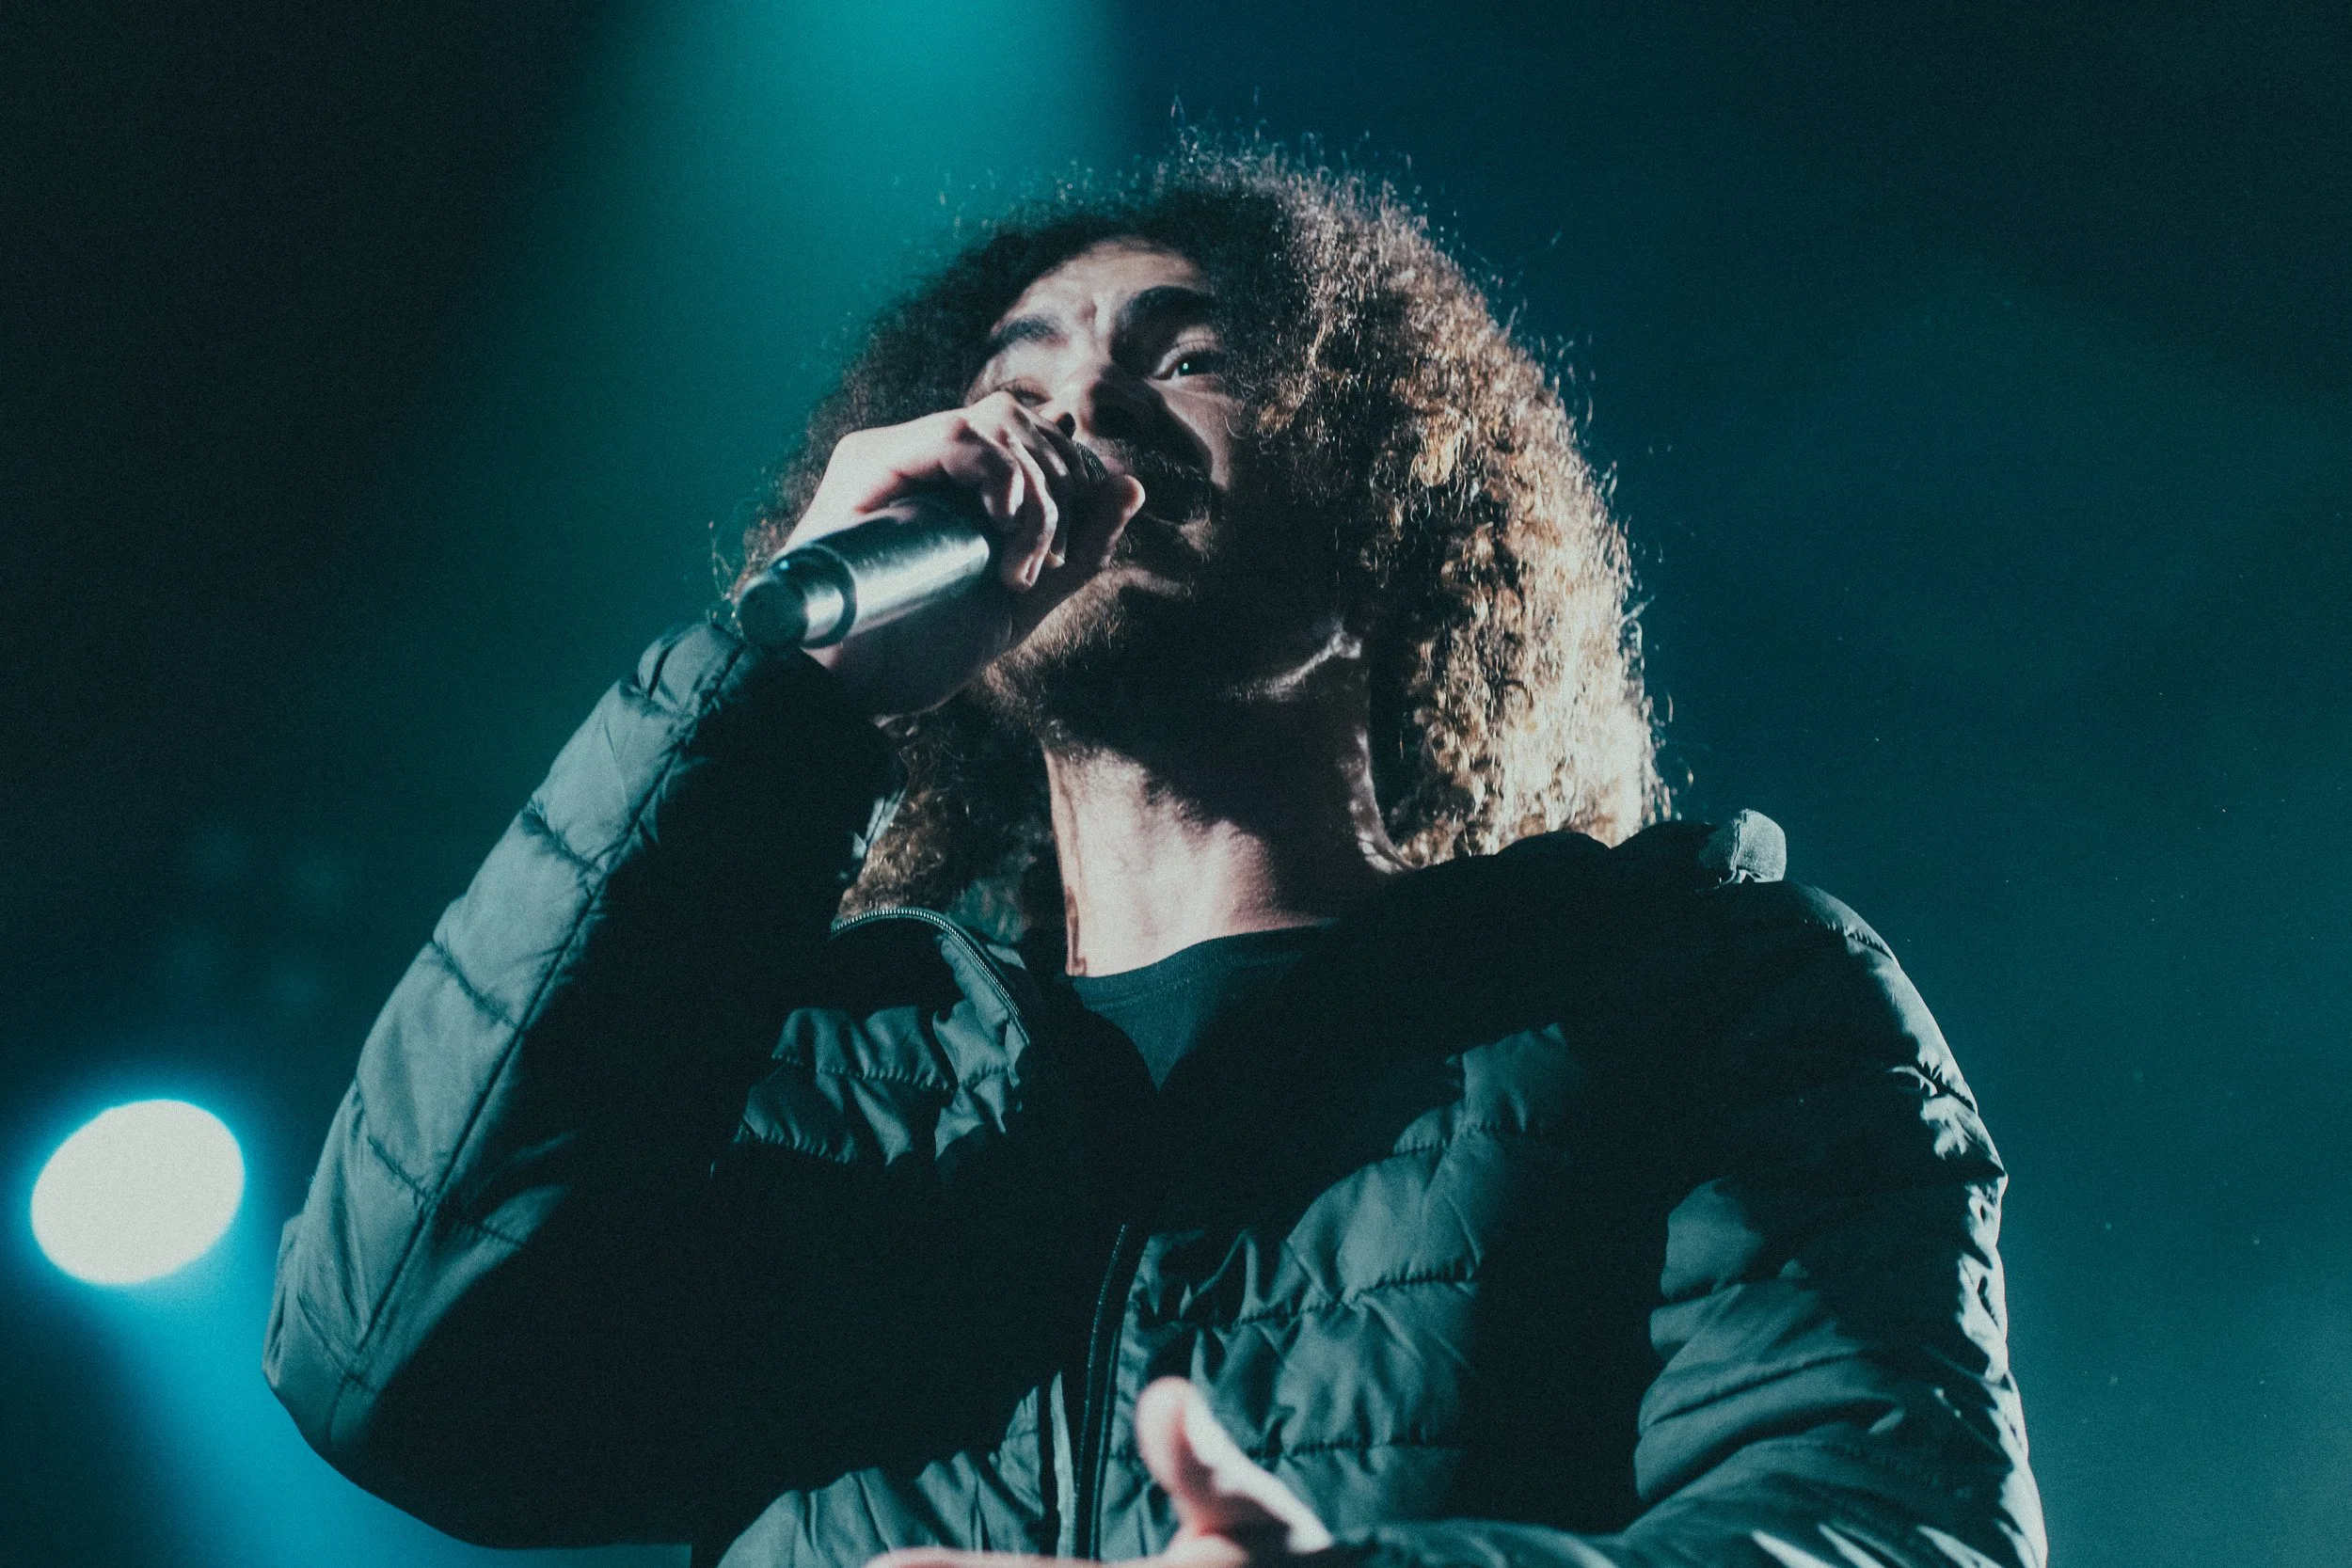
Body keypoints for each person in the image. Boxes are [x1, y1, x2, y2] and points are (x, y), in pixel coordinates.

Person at [266, 144, 2044, 1568]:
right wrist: (771, 706)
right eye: (1015, 369)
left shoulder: (1700, 995)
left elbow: (1890, 1525)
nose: (1076, 407)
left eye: (1186, 356)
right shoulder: (819, 1069)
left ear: (1398, 497)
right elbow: (390, 1364)